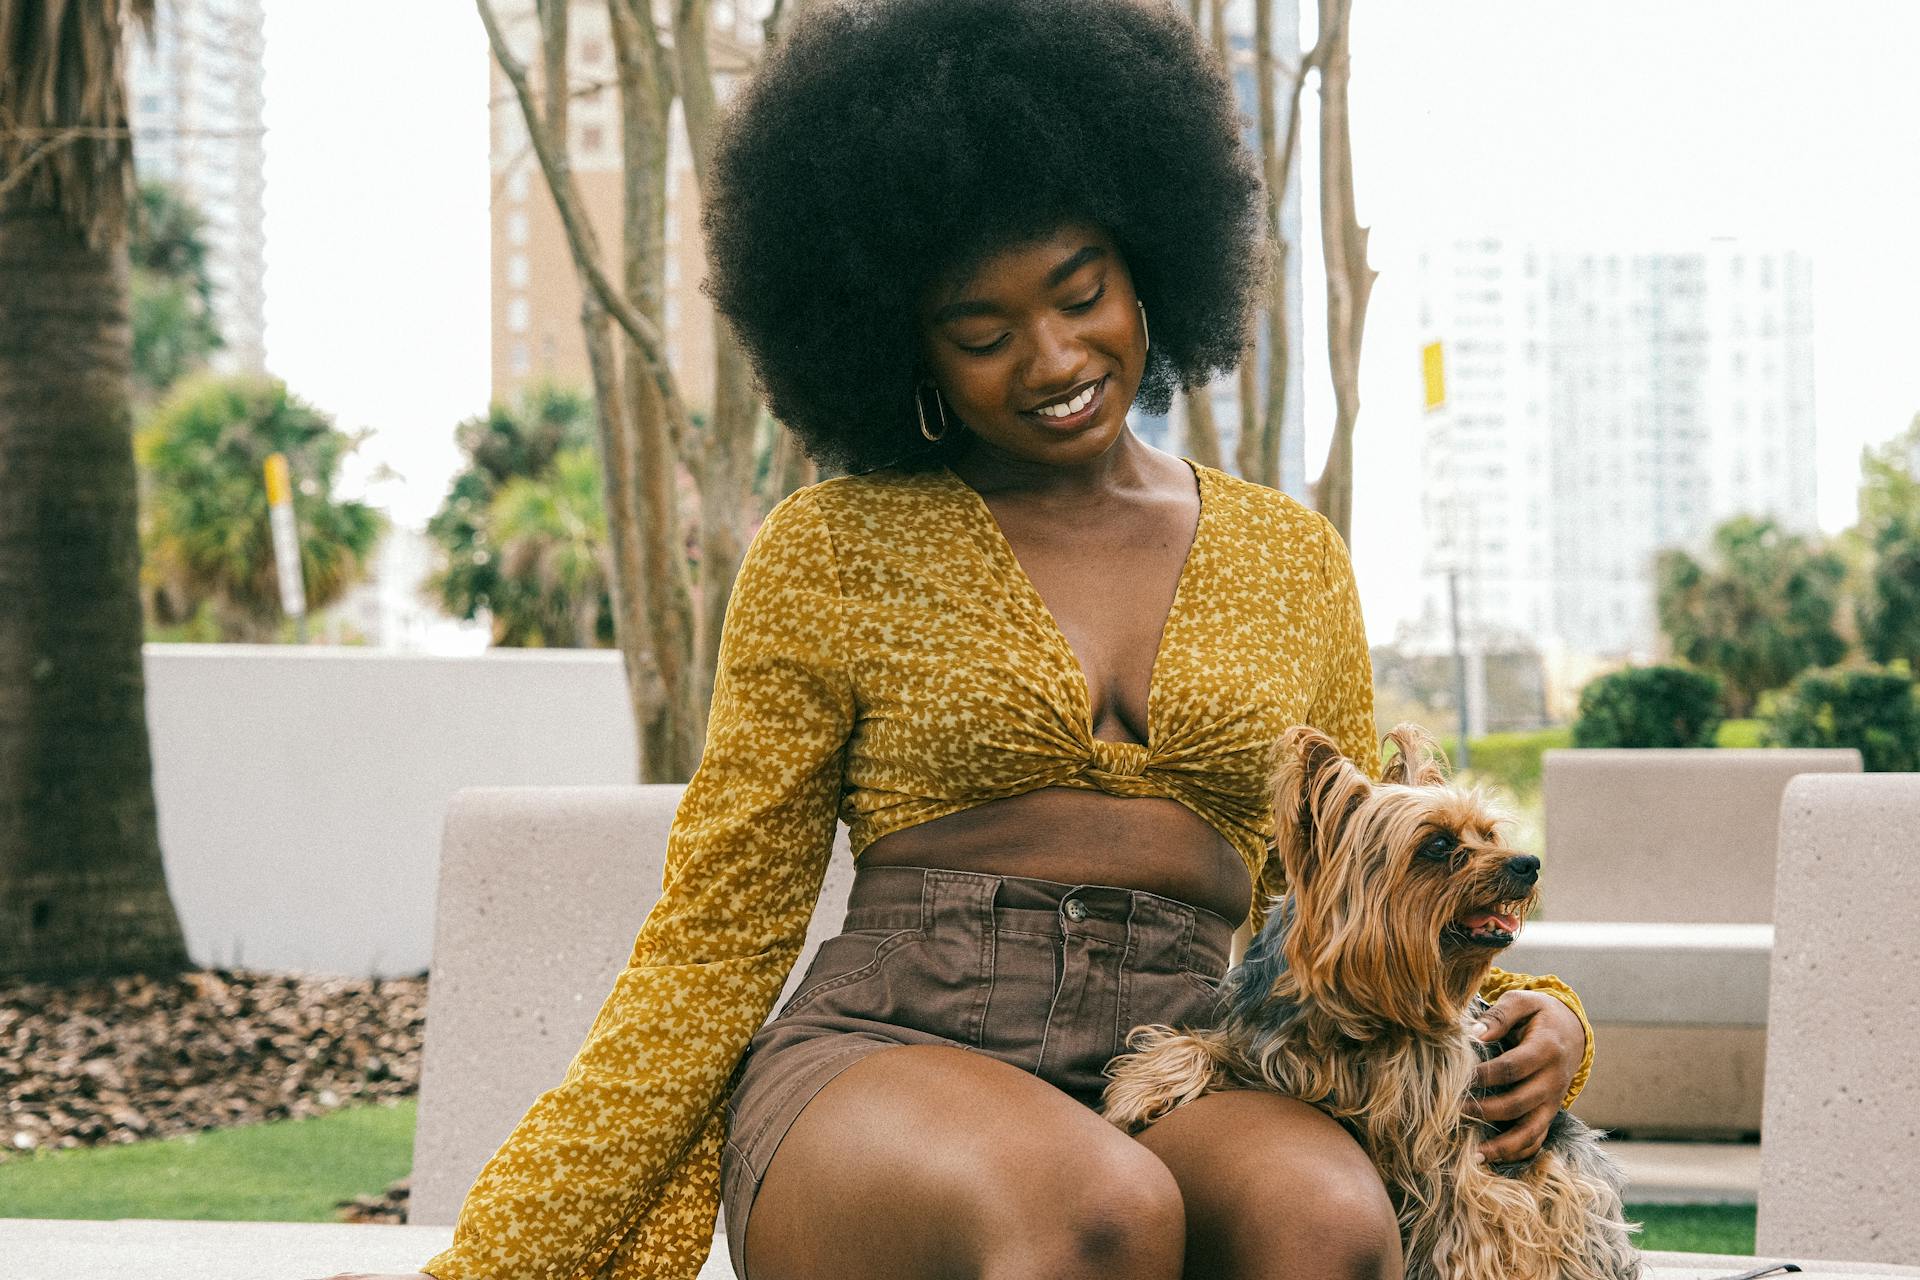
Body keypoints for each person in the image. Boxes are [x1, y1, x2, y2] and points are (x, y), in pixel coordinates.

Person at [341, 2, 1591, 1278]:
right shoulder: (832, 550)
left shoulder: (1292, 557)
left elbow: (1343, 903)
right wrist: (500, 1262)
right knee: (1097, 1210)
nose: (1054, 358)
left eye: (1081, 292)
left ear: (1150, 259)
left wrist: (1530, 1020)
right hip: (886, 1056)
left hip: (1179, 1060)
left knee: (1325, 1223)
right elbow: (716, 937)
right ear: (903, 345)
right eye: (982, 333)